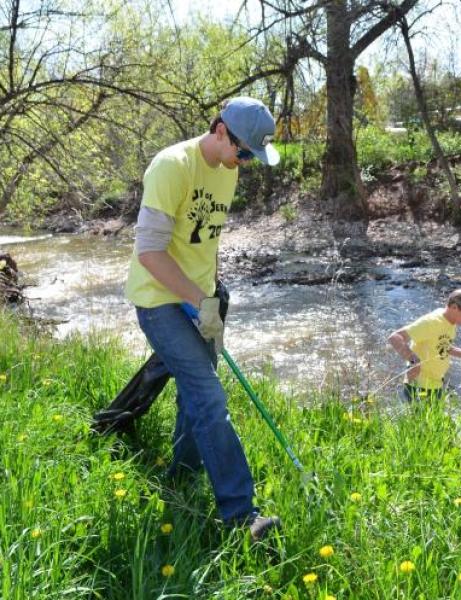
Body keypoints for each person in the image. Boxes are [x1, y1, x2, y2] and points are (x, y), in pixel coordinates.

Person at [124, 96, 281, 540]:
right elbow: (150, 253)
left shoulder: (226, 172)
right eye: (244, 151)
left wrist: (212, 295)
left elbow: (205, 242)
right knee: (210, 397)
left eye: (253, 155)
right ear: (219, 130)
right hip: (159, 300)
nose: (245, 161)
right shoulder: (171, 166)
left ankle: (180, 476)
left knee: (194, 396)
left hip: (202, 298)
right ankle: (241, 516)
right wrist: (197, 299)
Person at [388, 289, 461, 401]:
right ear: (454, 307)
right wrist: (413, 360)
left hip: (436, 384)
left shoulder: (450, 321)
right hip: (419, 386)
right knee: (421, 418)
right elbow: (395, 337)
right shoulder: (431, 322)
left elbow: (443, 345)